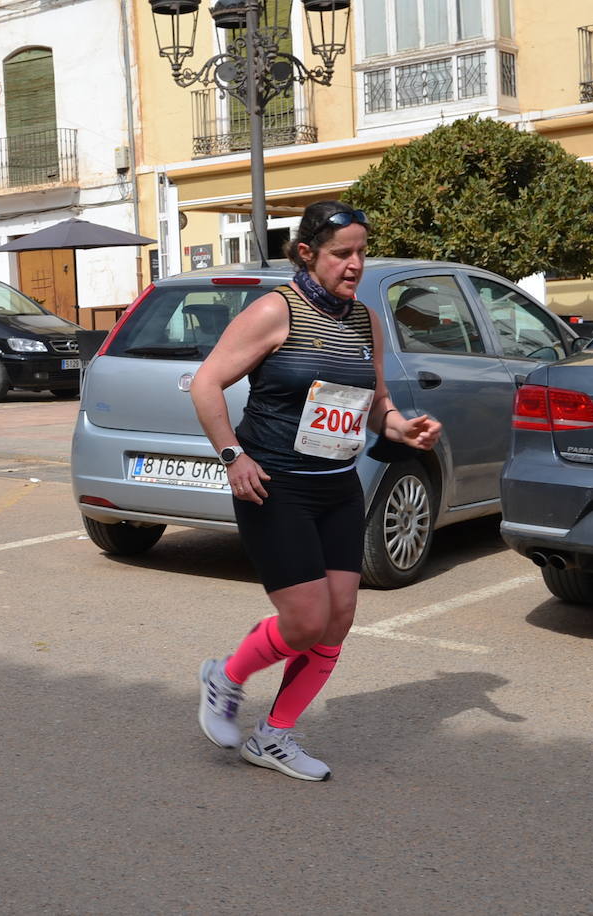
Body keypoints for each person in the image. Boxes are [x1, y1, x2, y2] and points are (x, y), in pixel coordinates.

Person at [189, 200, 442, 782]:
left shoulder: (364, 320)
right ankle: (226, 676)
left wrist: (404, 428)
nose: (355, 265)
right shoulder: (276, 311)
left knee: (339, 618)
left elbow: (374, 404)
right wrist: (233, 456)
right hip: (275, 487)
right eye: (341, 254)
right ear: (307, 254)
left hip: (338, 488)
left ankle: (274, 736)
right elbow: (206, 383)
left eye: (361, 251)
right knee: (304, 621)